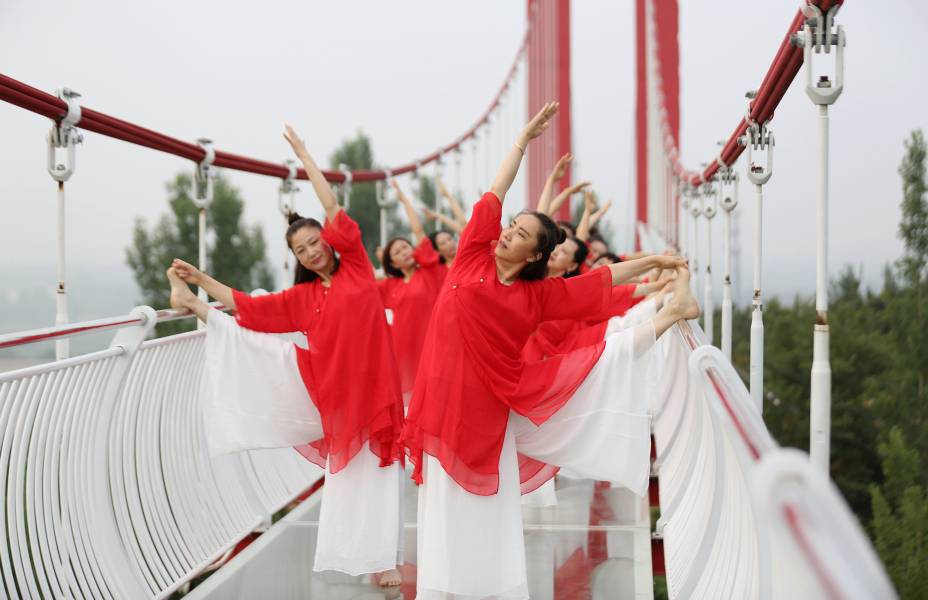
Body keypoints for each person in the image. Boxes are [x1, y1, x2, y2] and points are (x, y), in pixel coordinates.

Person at [402, 101, 698, 599]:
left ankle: (669, 317)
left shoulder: (537, 296)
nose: (507, 233)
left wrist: (653, 261)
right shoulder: (473, 252)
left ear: (536, 254)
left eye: (519, 233)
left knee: (482, 509)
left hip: (487, 410)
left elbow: (600, 282)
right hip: (438, 404)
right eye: (510, 226)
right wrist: (521, 141)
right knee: (439, 512)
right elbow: (496, 190)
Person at [164, 124, 405, 587]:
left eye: (316, 243)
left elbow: (332, 206)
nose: (312, 252)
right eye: (301, 249)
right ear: (295, 256)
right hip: (335, 396)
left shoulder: (356, 266)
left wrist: (306, 156)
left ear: (330, 242)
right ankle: (191, 305)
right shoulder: (302, 298)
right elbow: (245, 305)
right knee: (348, 480)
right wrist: (200, 279)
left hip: (378, 390)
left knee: (379, 474)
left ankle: (382, 560)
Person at [378, 179, 448, 402]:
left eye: (405, 246)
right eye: (397, 252)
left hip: (434, 348)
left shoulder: (430, 271)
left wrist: (405, 201)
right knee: (408, 408)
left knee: (435, 401)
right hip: (402, 356)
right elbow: (358, 295)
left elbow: (418, 231)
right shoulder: (389, 287)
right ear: (393, 264)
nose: (404, 251)